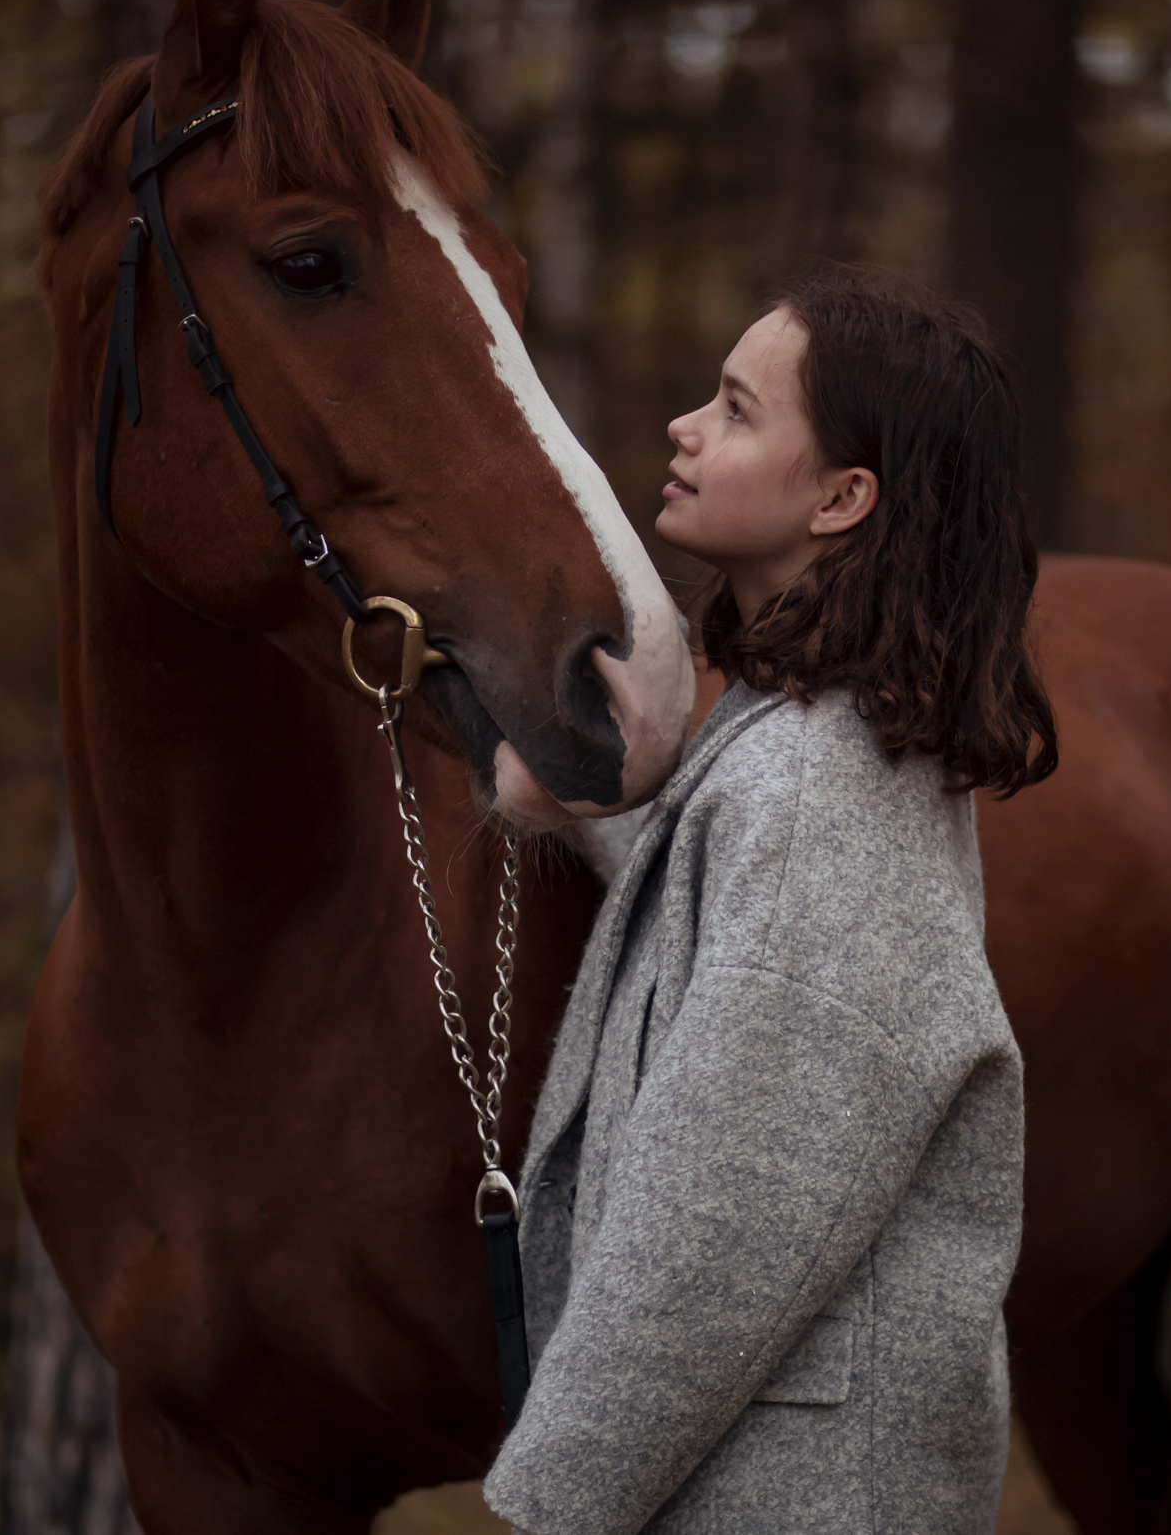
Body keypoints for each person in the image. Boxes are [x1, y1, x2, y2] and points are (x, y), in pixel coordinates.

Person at [482, 269, 1056, 1534]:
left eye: (737, 412)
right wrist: (597, 784)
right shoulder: (802, 751)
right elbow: (730, 926)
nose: (686, 427)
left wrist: (550, 1503)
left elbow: (727, 1212)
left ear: (844, 498)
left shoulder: (818, 796)